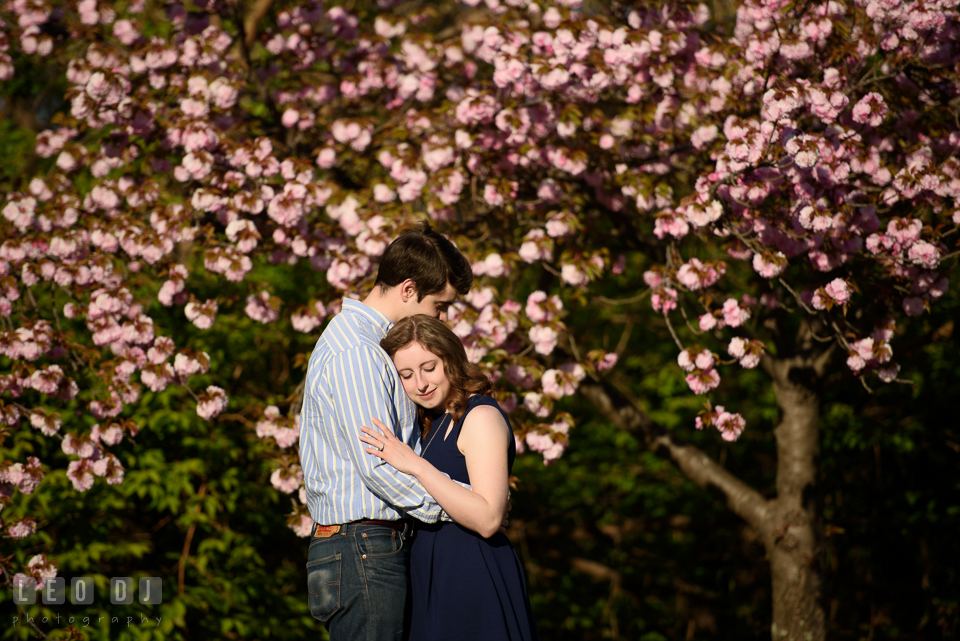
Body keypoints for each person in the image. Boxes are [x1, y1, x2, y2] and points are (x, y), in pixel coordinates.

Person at [299, 221, 473, 641]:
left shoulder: (367, 345)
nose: (443, 318)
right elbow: (378, 467)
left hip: (364, 547)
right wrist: (461, 509)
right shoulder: (358, 352)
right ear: (409, 290)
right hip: (363, 547)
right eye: (439, 305)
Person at [359, 314, 540, 641]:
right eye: (407, 375)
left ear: (452, 360)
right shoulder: (432, 422)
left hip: (473, 572)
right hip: (432, 574)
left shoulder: (480, 415)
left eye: (429, 368)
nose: (421, 384)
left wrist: (415, 464)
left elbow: (488, 518)